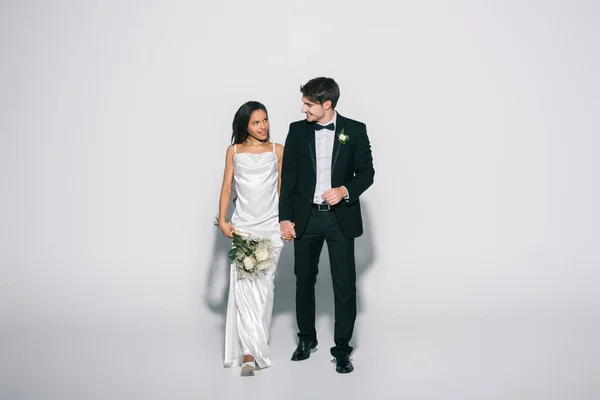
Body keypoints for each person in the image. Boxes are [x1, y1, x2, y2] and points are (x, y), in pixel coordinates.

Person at [279, 77, 375, 374]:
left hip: (339, 218)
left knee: (344, 285)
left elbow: (367, 172)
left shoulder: (355, 130)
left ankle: (342, 350)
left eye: (308, 104)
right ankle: (306, 339)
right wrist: (285, 217)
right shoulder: (297, 130)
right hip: (306, 217)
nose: (303, 108)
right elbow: (289, 178)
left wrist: (344, 190)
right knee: (303, 280)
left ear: (327, 104)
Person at [218, 101, 285, 376]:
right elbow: (226, 188)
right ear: (245, 124)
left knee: (265, 288)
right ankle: (248, 353)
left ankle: (258, 344)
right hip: (244, 227)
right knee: (245, 290)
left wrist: (286, 223)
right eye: (256, 122)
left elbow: (284, 191)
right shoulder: (233, 151)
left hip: (270, 227)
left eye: (265, 120)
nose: (262, 127)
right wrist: (222, 220)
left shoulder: (277, 150)